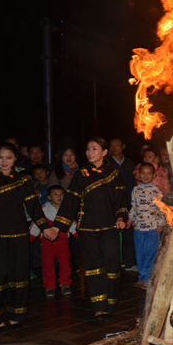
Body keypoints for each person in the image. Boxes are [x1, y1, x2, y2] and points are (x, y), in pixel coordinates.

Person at [51, 138, 129, 323]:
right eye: (87, 149)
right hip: (87, 229)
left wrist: (121, 217)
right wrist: (57, 226)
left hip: (109, 228)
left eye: (94, 149)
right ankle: (98, 308)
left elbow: (121, 199)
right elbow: (70, 201)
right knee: (93, 270)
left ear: (104, 152)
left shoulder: (113, 173)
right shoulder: (81, 175)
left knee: (112, 268)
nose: (89, 152)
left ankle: (110, 305)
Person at [0, 143, 55, 332]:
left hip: (18, 234)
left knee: (18, 275)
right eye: (0, 157)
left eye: (8, 157)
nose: (4, 161)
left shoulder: (23, 180)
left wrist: (45, 228)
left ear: (15, 158)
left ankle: (15, 315)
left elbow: (33, 206)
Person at [30, 185, 76, 298]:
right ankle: (49, 285)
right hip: (47, 243)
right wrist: (29, 238)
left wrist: (81, 236)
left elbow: (73, 225)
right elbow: (37, 224)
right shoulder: (44, 209)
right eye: (55, 194)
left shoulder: (67, 210)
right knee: (47, 265)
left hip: (63, 242)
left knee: (65, 263)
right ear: (49, 197)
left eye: (61, 194)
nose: (59, 196)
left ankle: (65, 283)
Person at [129, 163, 166, 290]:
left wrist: (161, 223)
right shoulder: (135, 190)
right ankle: (142, 276)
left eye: (149, 173)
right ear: (139, 175)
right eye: (143, 173)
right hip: (139, 228)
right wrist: (130, 219)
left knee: (151, 252)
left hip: (152, 227)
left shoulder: (156, 190)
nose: (145, 175)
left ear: (154, 175)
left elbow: (162, 209)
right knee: (140, 253)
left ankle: (147, 277)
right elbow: (134, 207)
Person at [110, 138, 138, 271]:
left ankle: (129, 261)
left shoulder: (129, 163)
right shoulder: (107, 163)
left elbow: (133, 183)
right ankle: (114, 262)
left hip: (128, 201)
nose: (114, 148)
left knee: (128, 232)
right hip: (113, 203)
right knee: (113, 233)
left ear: (123, 146)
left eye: (117, 145)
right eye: (112, 146)